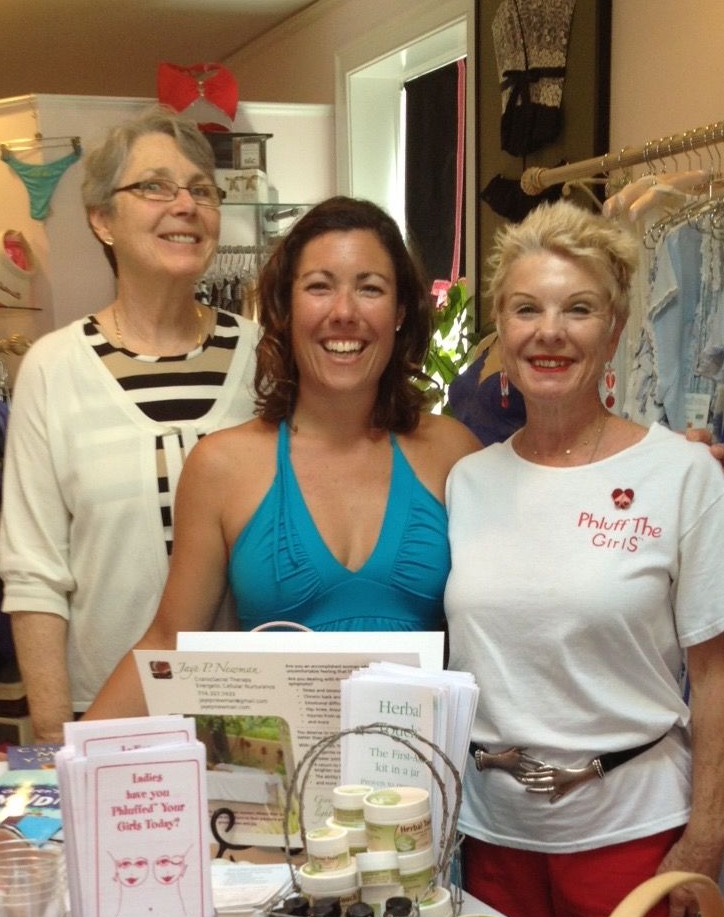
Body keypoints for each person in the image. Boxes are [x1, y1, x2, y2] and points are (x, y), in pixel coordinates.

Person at [446, 200, 724, 917]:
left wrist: (706, 835)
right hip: (493, 843)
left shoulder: (683, 475)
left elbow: (719, 671)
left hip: (636, 838)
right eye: (527, 309)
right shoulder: (468, 481)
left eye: (578, 309)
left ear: (615, 329)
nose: (549, 332)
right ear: (500, 329)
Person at [86, 196, 480, 717]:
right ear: (285, 310)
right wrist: (57, 760)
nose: (344, 313)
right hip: (277, 793)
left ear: (401, 312)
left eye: (370, 288)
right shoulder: (221, 468)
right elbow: (167, 642)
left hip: (421, 792)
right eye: (319, 286)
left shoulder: (454, 455)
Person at [0, 107, 260, 739]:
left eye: (201, 190)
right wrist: (59, 736)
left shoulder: (265, 361)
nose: (185, 205)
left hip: (251, 712)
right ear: (101, 219)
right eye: (154, 187)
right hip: (106, 712)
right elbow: (33, 572)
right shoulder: (54, 369)